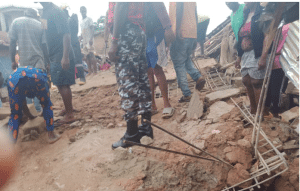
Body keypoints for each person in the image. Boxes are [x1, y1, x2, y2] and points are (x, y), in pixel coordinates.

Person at [109, 3, 160, 149]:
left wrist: (115, 40)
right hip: (139, 32)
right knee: (142, 82)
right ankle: (145, 129)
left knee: (128, 84)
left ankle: (131, 135)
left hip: (126, 33)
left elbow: (120, 5)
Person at [8, 8, 60, 143]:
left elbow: (12, 42)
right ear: (35, 15)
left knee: (15, 113)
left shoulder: (16, 22)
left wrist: (13, 60)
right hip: (37, 70)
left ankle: (9, 147)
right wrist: (47, 63)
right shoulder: (40, 24)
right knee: (46, 103)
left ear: (25, 13)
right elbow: (44, 46)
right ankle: (51, 135)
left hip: (18, 75)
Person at [39, 2, 76, 125]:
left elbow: (66, 35)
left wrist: (65, 57)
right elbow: (45, 34)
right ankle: (68, 108)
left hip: (61, 54)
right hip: (54, 55)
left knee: (63, 84)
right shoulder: (44, 13)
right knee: (61, 83)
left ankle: (70, 115)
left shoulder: (56, 11)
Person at [235, 2, 270, 115]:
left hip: (257, 53)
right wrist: (238, 57)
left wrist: (263, 56)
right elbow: (240, 40)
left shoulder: (262, 14)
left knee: (257, 82)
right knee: (246, 81)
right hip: (246, 55)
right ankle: (253, 110)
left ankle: (262, 112)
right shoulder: (245, 16)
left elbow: (267, 37)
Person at [169, 2, 206, 103]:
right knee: (185, 59)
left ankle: (186, 94)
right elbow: (195, 15)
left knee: (179, 64)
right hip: (191, 32)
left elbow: (179, 8)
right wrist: (196, 35)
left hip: (181, 32)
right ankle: (197, 76)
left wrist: (177, 29)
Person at [144, 3, 176, 118]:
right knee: (148, 72)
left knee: (157, 69)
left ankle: (167, 104)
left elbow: (160, 8)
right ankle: (152, 105)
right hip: (144, 36)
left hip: (156, 34)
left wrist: (168, 28)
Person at [265, 24, 290, 118]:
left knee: (271, 87)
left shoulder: (272, 28)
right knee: (279, 89)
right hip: (282, 61)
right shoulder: (289, 27)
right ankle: (276, 113)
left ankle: (267, 109)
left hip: (271, 61)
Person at [63, 7, 86, 85]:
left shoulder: (71, 19)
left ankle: (82, 78)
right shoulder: (68, 20)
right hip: (70, 42)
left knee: (77, 60)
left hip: (73, 42)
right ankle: (75, 79)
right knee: (72, 61)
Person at [80, 6, 98, 75]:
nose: (83, 12)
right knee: (87, 55)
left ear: (86, 11)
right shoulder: (81, 21)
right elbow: (82, 31)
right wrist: (80, 38)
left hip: (89, 39)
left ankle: (95, 71)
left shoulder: (89, 19)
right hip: (84, 41)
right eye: (82, 11)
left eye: (84, 10)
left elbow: (92, 28)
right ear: (80, 12)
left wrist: (91, 38)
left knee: (91, 54)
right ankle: (90, 71)